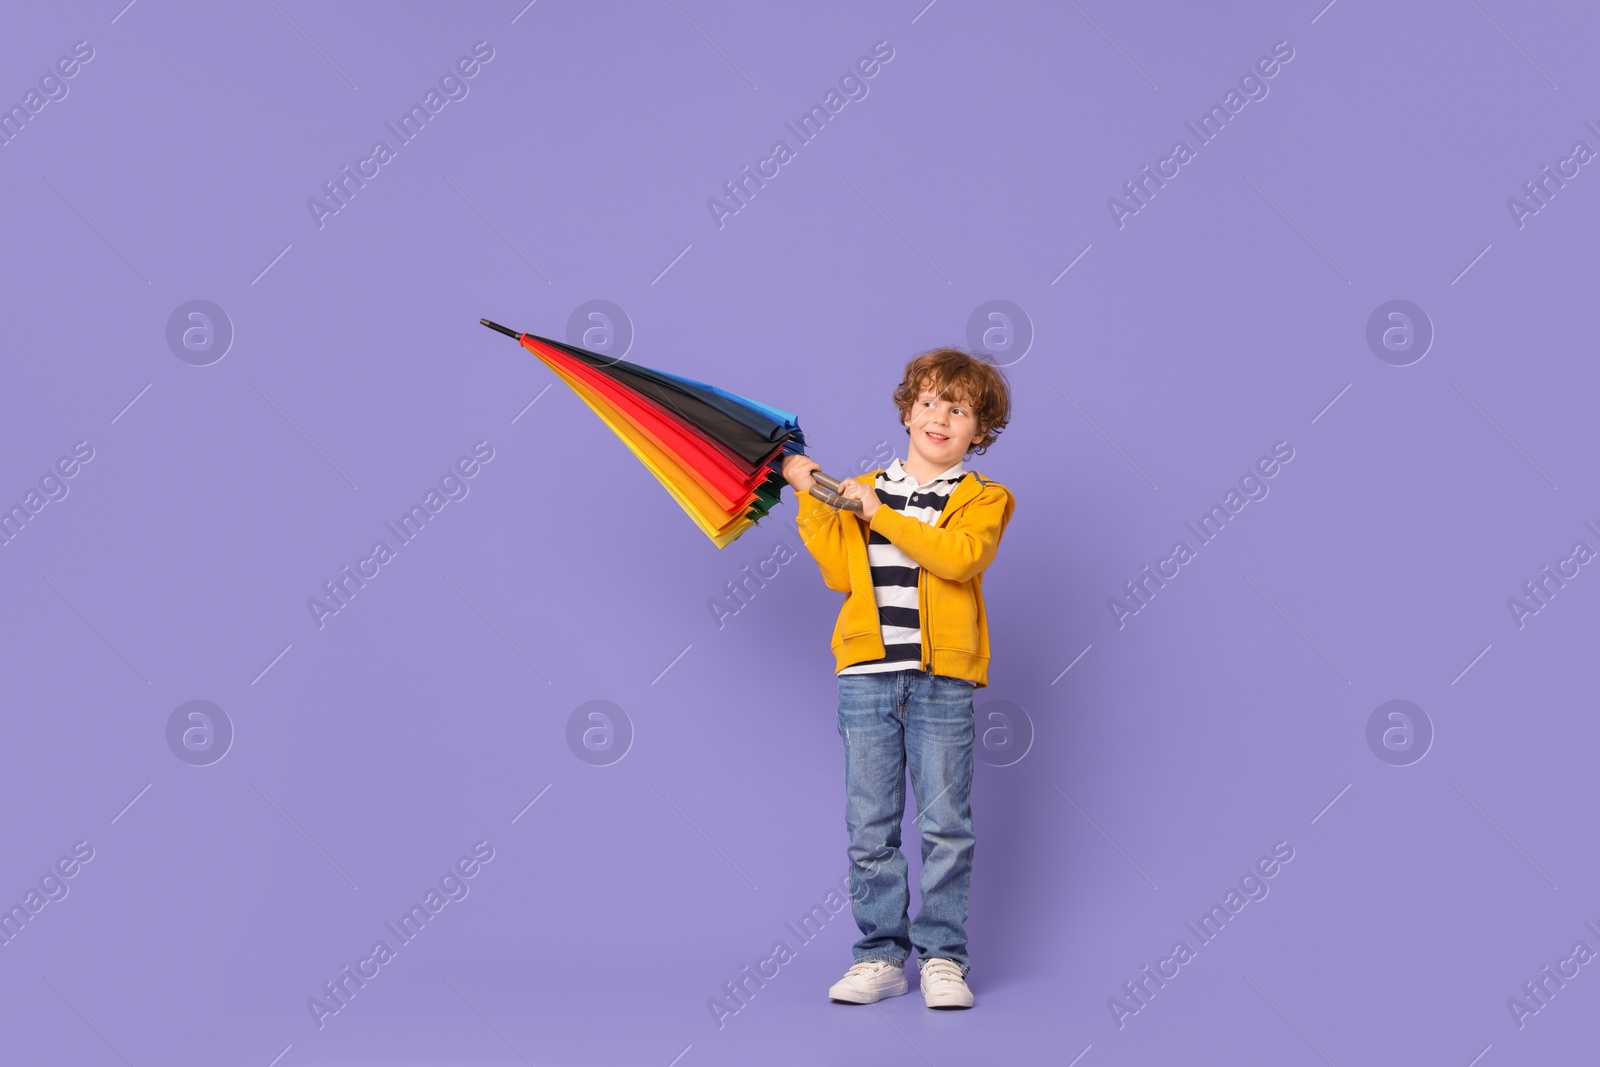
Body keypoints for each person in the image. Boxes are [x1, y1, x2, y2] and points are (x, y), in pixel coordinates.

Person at [780, 347, 1015, 1010]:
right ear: (908, 410)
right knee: (870, 823)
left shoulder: (982, 498)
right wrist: (809, 492)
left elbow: (959, 559)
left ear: (979, 431)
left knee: (946, 823)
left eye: (960, 408)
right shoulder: (858, 485)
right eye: (931, 401)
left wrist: (876, 512)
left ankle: (943, 956)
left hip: (942, 680)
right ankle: (881, 955)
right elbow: (838, 572)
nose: (941, 416)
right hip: (867, 675)